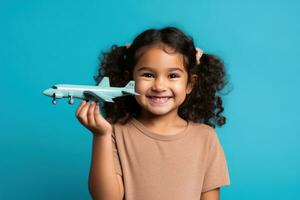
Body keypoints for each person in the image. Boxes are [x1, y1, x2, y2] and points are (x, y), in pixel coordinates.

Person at [76, 26, 231, 200]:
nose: (159, 86)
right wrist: (101, 136)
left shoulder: (206, 137)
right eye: (148, 75)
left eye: (173, 76)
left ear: (190, 84)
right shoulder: (115, 132)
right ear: (131, 80)